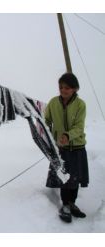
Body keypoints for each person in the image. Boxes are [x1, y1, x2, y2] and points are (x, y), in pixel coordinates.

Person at [44, 72, 89, 223]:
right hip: (61, 148)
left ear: (75, 89)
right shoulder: (53, 103)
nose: (63, 90)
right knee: (64, 178)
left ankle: (72, 203)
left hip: (77, 147)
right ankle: (65, 205)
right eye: (61, 87)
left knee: (74, 178)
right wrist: (49, 136)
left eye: (67, 88)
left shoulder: (80, 105)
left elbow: (79, 127)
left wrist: (68, 136)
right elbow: (47, 121)